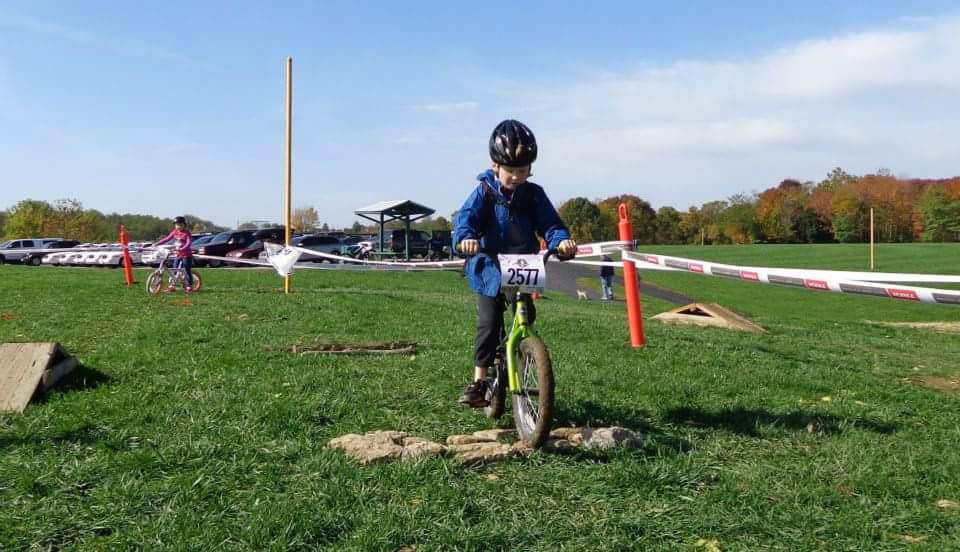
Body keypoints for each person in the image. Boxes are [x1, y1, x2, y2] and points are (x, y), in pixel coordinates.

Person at [453, 119, 577, 407]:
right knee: (489, 321)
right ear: (495, 166)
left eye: (523, 170)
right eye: (511, 171)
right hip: (491, 267)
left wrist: (561, 241)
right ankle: (480, 381)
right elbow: (465, 221)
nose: (517, 176)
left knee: (525, 316)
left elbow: (551, 224)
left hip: (524, 264)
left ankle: (521, 354)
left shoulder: (534, 194)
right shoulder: (484, 192)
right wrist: (467, 239)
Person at [154, 216, 194, 293]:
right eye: (177, 225)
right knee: (174, 270)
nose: (178, 226)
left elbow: (189, 243)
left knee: (187, 270)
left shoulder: (187, 233)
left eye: (180, 225)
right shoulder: (175, 232)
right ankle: (172, 286)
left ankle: (190, 286)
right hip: (178, 254)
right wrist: (157, 243)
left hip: (186, 255)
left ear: (184, 225)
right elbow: (167, 239)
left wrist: (183, 248)